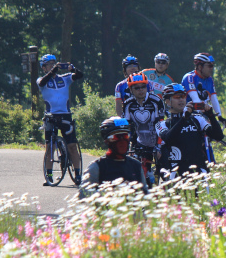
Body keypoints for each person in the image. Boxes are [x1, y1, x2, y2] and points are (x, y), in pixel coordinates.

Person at [156, 83, 224, 180]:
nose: (181, 99)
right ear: (168, 101)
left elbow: (218, 136)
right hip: (176, 174)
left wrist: (211, 116)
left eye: (183, 96)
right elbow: (168, 138)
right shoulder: (162, 124)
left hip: (198, 171)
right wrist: (184, 118)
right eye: (177, 97)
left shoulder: (197, 119)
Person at [37, 54, 84, 185]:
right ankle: (49, 175)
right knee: (50, 148)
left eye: (54, 63)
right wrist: (53, 71)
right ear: (44, 67)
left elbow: (79, 75)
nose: (52, 66)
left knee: (72, 146)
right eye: (49, 64)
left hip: (65, 115)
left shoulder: (65, 79)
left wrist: (72, 68)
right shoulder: (41, 80)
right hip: (50, 116)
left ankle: (78, 174)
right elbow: (41, 83)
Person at [79, 116, 147, 198]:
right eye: (116, 137)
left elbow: (145, 197)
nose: (122, 141)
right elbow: (84, 197)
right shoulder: (96, 167)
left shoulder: (136, 166)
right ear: (107, 141)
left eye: (125, 136)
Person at [122, 72, 165, 186]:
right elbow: (126, 125)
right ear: (131, 90)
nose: (141, 90)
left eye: (143, 86)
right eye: (137, 88)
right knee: (140, 170)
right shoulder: (128, 104)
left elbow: (160, 124)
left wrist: (159, 146)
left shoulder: (155, 101)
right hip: (140, 141)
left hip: (157, 139)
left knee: (163, 170)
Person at [181, 53, 226, 128]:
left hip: (203, 114)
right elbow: (195, 99)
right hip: (188, 115)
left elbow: (214, 98)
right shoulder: (189, 77)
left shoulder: (209, 79)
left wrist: (219, 116)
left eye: (213, 65)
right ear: (200, 66)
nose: (212, 68)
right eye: (210, 65)